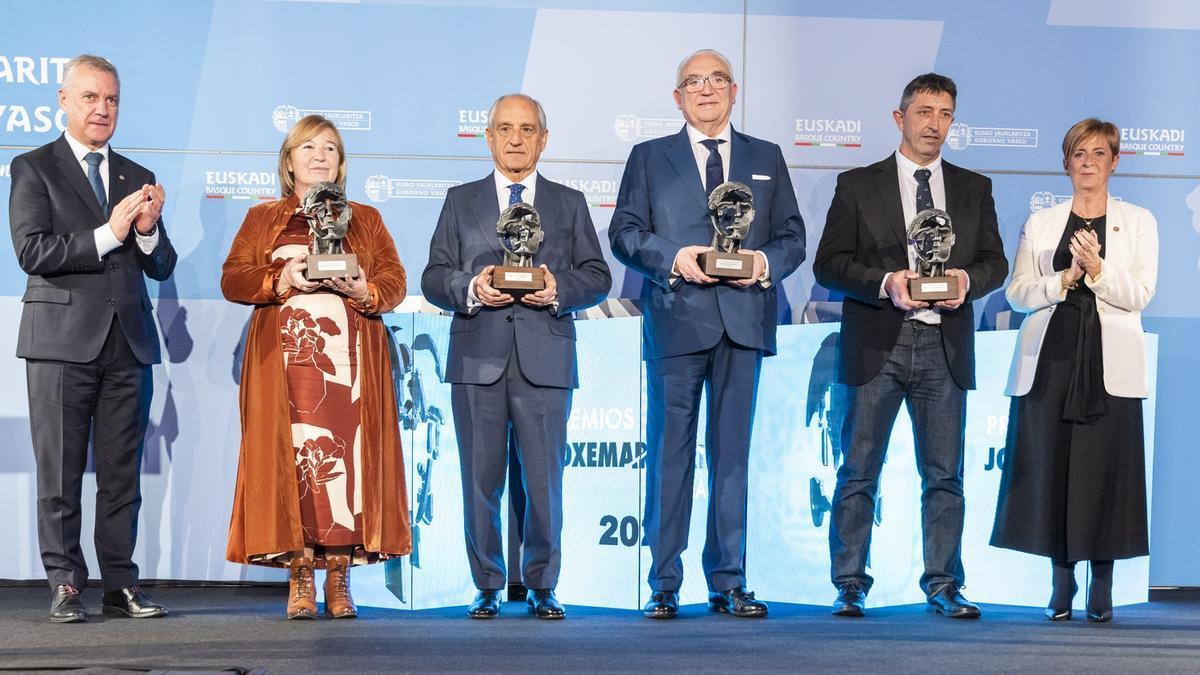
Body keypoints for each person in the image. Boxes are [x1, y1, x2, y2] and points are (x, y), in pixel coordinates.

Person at [609, 49, 806, 619]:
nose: (706, 89)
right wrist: (675, 257)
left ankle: (729, 578)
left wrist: (763, 263)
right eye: (693, 82)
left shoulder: (765, 157)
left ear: (734, 90)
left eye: (716, 79)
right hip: (677, 320)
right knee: (670, 457)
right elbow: (625, 232)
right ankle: (664, 582)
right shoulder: (649, 157)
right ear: (677, 98)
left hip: (743, 323)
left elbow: (792, 234)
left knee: (733, 459)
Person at [813, 73, 1007, 619]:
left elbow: (995, 263)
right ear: (900, 118)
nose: (934, 123)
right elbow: (828, 263)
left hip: (944, 347)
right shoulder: (857, 184)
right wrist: (885, 282)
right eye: (924, 111)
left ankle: (944, 584)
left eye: (945, 113)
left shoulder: (975, 187)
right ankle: (849, 582)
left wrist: (967, 282)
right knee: (858, 470)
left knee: (945, 475)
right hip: (879, 341)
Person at [421, 94, 611, 620]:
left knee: (544, 482)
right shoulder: (461, 200)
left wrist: (556, 287)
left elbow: (598, 276)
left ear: (543, 139)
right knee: (480, 481)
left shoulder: (569, 202)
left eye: (527, 129)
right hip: (477, 359)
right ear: (488, 136)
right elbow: (433, 276)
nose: (515, 139)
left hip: (545, 357)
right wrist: (472, 286)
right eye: (505, 128)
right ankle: (486, 584)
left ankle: (542, 584)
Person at [8, 54, 176, 624]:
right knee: (59, 474)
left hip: (128, 344)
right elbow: (33, 252)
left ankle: (120, 584)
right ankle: (65, 583)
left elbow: (160, 266)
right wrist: (111, 233)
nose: (103, 109)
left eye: (112, 100)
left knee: (121, 472)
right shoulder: (33, 167)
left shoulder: (134, 174)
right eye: (90, 98)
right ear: (63, 100)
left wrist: (149, 233)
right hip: (59, 344)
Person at [222, 114, 411, 620]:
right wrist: (279, 276)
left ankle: (339, 577)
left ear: (342, 163)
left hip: (349, 374)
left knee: (345, 469)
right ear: (289, 162)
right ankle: (300, 574)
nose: (320, 156)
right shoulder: (264, 218)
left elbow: (394, 281)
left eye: (330, 148)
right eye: (308, 147)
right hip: (284, 375)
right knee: (294, 467)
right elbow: (234, 280)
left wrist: (364, 291)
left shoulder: (366, 219)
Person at [991, 119, 1156, 623]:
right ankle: (1060, 586)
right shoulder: (1042, 222)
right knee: (1052, 471)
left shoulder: (1140, 220)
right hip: (1052, 359)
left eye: (1099, 153)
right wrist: (1065, 276)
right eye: (1079, 153)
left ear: (1115, 161)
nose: (1088, 162)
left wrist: (1100, 271)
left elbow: (1141, 294)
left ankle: (1100, 586)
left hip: (1110, 361)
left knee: (1106, 475)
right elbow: (1018, 293)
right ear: (1066, 163)